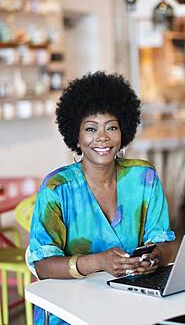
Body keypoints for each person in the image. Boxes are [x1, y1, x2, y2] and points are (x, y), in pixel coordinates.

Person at [28, 71, 175, 324]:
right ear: (76, 135)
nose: (102, 137)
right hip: (70, 310)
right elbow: (43, 266)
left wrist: (153, 258)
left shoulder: (144, 178)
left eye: (112, 127)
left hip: (133, 301)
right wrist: (98, 261)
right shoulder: (57, 188)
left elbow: (166, 243)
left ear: (123, 131)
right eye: (91, 128)